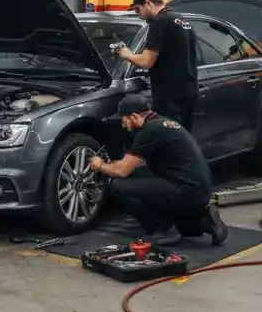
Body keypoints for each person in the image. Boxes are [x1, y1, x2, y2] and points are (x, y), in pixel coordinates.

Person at [89, 94, 228, 245]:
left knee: (118, 186)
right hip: (199, 189)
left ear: (134, 117)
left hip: (186, 190)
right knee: (186, 229)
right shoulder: (162, 123)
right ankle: (205, 221)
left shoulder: (148, 131)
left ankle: (163, 230)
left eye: (124, 121)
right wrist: (116, 164)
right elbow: (136, 164)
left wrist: (101, 165)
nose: (123, 126)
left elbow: (122, 171)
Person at [112, 0, 198, 130]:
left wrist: (127, 55)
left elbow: (146, 62)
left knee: (168, 140)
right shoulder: (181, 20)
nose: (138, 14)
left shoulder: (159, 22)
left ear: (147, 3)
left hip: (169, 95)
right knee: (181, 137)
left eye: (138, 9)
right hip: (188, 92)